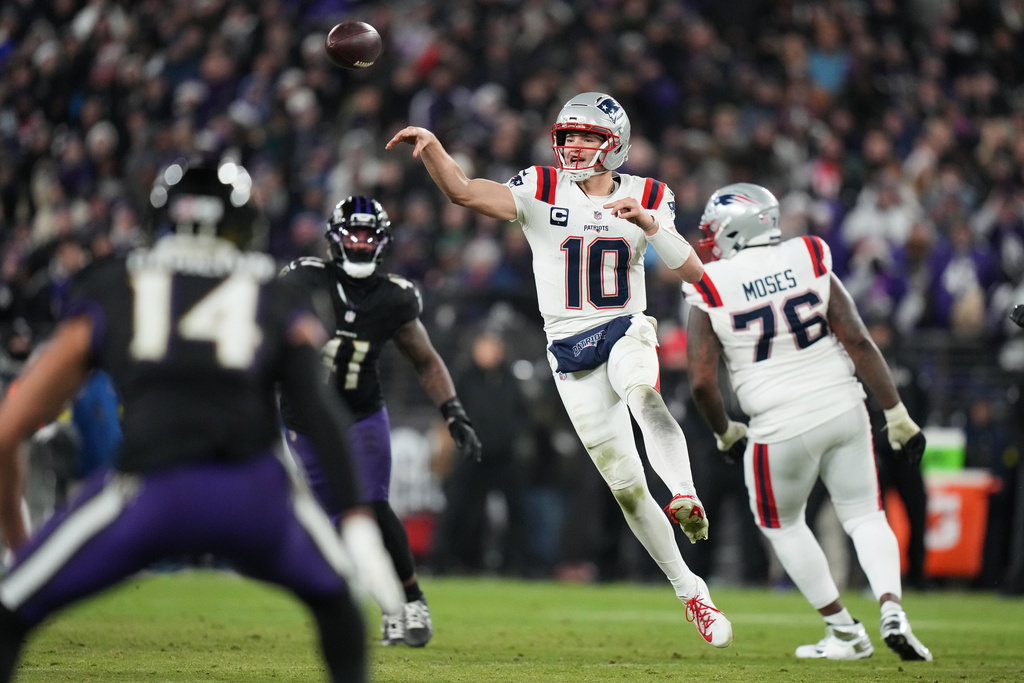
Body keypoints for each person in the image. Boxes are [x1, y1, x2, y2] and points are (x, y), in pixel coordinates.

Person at [0, 158, 404, 683]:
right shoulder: (274, 291)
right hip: (256, 495)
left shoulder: (115, 285)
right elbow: (321, 409)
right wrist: (356, 519)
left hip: (147, 492)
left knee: (10, 611)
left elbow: (12, 426)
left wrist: (18, 543)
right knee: (339, 603)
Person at [387, 91, 733, 648]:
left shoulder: (649, 193)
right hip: (569, 352)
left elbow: (692, 269)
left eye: (586, 137)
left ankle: (685, 492)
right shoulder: (540, 187)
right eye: (567, 136)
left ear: (614, 143)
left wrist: (649, 223)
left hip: (625, 326)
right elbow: (463, 191)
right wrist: (433, 150)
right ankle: (692, 591)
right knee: (625, 488)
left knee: (644, 392)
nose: (573, 146)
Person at [683, 182, 932, 661]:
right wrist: (896, 413)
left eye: (715, 229)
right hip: (843, 404)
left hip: (777, 422)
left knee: (782, 524)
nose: (710, 239)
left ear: (737, 226)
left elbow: (701, 381)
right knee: (865, 514)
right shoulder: (809, 254)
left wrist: (724, 430)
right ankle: (892, 608)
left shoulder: (709, 282)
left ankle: (843, 630)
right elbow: (857, 338)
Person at [279, 195, 482, 648]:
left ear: (383, 242)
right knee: (331, 520)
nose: (360, 241)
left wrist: (454, 413)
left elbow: (427, 362)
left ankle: (412, 600)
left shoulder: (394, 297)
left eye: (369, 234)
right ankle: (382, 607)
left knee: (371, 504)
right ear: (334, 239)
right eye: (352, 233)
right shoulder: (305, 281)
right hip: (307, 415)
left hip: (362, 411)